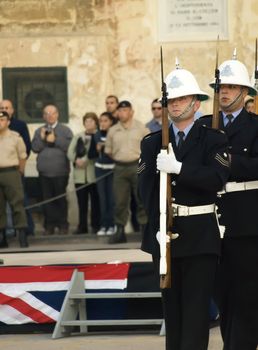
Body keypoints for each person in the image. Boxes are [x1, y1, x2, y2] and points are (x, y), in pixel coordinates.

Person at [138, 64, 230, 350]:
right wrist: (156, 228)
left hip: (200, 235)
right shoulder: (152, 142)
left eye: (181, 99)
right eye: (171, 100)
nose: (175, 105)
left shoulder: (213, 138)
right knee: (173, 311)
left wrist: (180, 168)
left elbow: (216, 178)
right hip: (165, 235)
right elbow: (146, 191)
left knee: (195, 310)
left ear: (196, 102)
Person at [208, 56, 258, 350]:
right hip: (212, 221)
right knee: (222, 292)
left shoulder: (254, 126)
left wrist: (226, 161)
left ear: (245, 92)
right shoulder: (206, 125)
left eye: (230, 87)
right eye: (220, 87)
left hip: (246, 220)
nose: (223, 92)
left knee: (247, 293)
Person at [105, 100, 149, 244]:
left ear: (131, 112)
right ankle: (119, 231)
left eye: (125, 110)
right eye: (120, 111)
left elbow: (149, 148)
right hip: (119, 168)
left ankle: (145, 230)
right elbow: (109, 151)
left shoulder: (141, 128)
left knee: (141, 198)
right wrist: (121, 159)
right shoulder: (113, 130)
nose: (122, 113)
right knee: (120, 201)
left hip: (138, 166)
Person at [31, 105, 73, 235]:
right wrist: (44, 138)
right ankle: (49, 225)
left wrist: (55, 140)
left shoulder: (65, 130)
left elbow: (70, 147)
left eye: (52, 113)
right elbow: (35, 148)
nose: (50, 115)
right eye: (46, 113)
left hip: (61, 172)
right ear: (43, 116)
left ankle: (63, 225)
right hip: (44, 173)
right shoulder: (39, 130)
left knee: (60, 199)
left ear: (57, 115)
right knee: (47, 199)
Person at [0, 99, 34, 237]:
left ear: (8, 121)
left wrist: (20, 171)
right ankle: (2, 236)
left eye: (3, 120)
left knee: (18, 204)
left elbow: (23, 154)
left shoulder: (16, 135)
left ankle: (22, 234)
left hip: (12, 172)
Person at [68, 112, 100, 234]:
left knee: (95, 203)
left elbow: (96, 153)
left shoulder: (98, 136)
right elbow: (70, 152)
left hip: (94, 176)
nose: (88, 123)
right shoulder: (78, 136)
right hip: (80, 176)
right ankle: (82, 226)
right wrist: (76, 160)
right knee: (82, 203)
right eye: (86, 121)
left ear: (96, 122)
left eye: (91, 121)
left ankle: (96, 225)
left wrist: (85, 160)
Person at [88, 112, 115, 236]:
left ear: (111, 122)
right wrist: (97, 149)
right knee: (102, 199)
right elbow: (91, 155)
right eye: (101, 121)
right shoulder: (96, 135)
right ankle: (104, 225)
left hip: (113, 169)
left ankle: (112, 224)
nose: (103, 123)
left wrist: (107, 147)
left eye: (105, 121)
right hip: (100, 169)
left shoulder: (115, 133)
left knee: (112, 198)